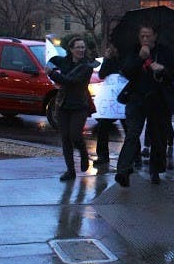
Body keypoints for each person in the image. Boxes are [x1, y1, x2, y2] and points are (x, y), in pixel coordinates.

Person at [115, 25, 174, 187]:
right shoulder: (134, 50)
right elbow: (125, 71)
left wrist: (162, 69)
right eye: (142, 36)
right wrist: (139, 59)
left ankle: (155, 170)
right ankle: (123, 170)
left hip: (158, 99)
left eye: (148, 36)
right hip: (137, 99)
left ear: (155, 36)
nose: (145, 39)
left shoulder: (165, 51)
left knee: (158, 136)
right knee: (132, 133)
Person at [47, 35, 97, 181]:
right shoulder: (65, 62)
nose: (81, 50)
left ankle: (83, 152)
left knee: (75, 135)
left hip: (79, 105)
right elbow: (50, 57)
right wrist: (48, 53)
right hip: (62, 104)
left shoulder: (87, 66)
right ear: (71, 49)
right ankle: (70, 171)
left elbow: (71, 81)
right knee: (65, 138)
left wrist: (52, 74)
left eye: (83, 47)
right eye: (78, 47)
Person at [94, 44, 126, 169]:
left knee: (129, 129)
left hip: (124, 97)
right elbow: (101, 75)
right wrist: (107, 59)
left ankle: (134, 155)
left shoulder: (127, 57)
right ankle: (102, 155)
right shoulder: (110, 59)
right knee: (103, 127)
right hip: (110, 100)